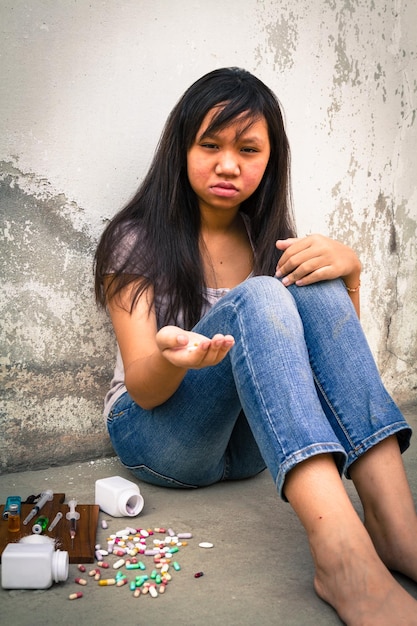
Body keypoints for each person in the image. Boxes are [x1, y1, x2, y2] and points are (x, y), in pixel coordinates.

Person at [94, 67, 417, 624]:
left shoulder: (266, 238)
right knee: (265, 294)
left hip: (252, 449)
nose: (228, 164)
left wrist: (352, 278)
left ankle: (395, 526)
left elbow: (328, 371)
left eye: (248, 149)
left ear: (270, 161)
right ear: (181, 149)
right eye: (210, 145)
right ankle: (343, 559)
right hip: (159, 434)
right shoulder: (136, 239)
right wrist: (178, 362)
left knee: (309, 281)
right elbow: (144, 391)